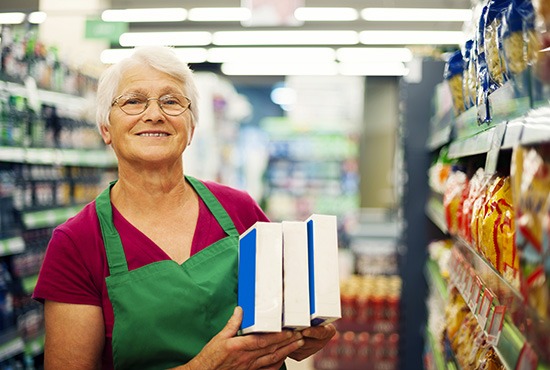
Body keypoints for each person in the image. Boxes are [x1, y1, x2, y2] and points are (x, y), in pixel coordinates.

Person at [32, 45, 336, 369]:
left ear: (191, 128)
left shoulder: (241, 211)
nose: (154, 114)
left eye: (171, 101)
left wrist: (303, 335)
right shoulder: (77, 243)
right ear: (105, 127)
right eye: (133, 101)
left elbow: (290, 316)